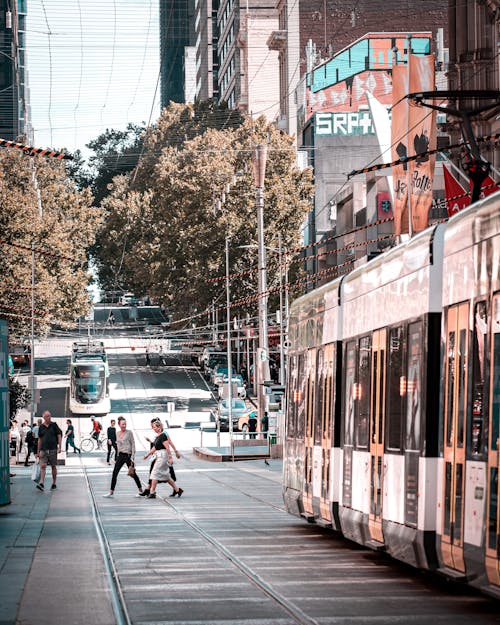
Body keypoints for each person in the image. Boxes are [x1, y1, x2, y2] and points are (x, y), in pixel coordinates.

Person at [102, 416, 144, 498]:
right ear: (119, 424)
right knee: (114, 473)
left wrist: (133, 457)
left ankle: (141, 491)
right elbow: (117, 445)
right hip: (120, 455)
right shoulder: (117, 433)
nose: (124, 425)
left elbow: (133, 445)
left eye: (125, 424)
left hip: (128, 456)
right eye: (122, 424)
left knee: (133, 473)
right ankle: (111, 491)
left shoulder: (129, 432)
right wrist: (116, 457)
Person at [139, 419, 182, 498]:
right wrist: (147, 454)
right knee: (166, 476)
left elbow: (167, 447)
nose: (153, 428)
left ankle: (152, 492)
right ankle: (177, 490)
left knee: (154, 473)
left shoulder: (163, 436)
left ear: (159, 427)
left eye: (154, 427)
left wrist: (170, 457)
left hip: (163, 456)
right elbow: (155, 447)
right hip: (159, 455)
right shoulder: (158, 436)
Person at [36, 410, 62, 491]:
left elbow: (59, 436)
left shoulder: (54, 425)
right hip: (43, 450)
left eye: (50, 416)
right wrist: (38, 451)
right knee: (43, 466)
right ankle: (41, 483)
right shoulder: (41, 427)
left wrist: (59, 447)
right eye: (47, 416)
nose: (49, 417)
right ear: (44, 417)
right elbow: (39, 439)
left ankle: (54, 483)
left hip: (53, 449)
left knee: (53, 466)